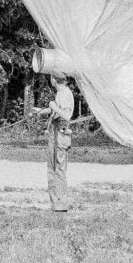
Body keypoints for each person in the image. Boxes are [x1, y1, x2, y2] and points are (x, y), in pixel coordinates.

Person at [46, 73, 76, 213]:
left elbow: (66, 115)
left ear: (53, 80)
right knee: (55, 169)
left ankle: (60, 204)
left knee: (57, 169)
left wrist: (53, 105)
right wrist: (40, 111)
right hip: (57, 134)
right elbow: (58, 111)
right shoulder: (63, 93)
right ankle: (57, 204)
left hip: (59, 135)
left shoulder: (64, 94)